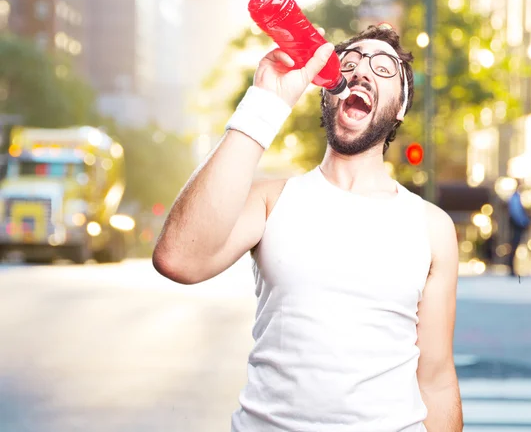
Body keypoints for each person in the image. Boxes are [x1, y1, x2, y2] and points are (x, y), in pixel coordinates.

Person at [153, 24, 463, 431]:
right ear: (325, 91)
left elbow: (436, 381)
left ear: (401, 105)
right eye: (347, 63)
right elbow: (178, 258)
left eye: (383, 69)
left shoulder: (431, 227)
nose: (361, 72)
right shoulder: (272, 200)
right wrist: (265, 101)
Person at [507, 182, 531, 277]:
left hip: (517, 224)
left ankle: (512, 268)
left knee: (514, 246)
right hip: (517, 225)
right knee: (514, 246)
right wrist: (524, 222)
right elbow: (516, 213)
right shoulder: (515, 198)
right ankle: (511, 268)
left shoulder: (516, 197)